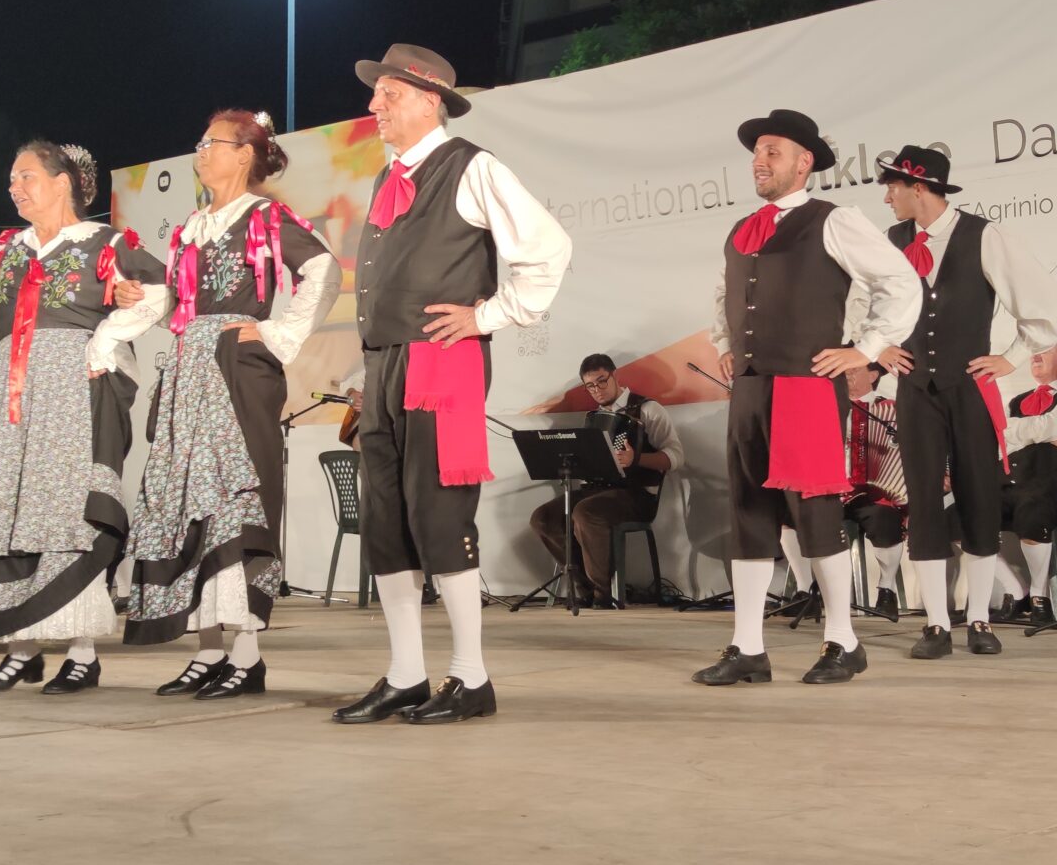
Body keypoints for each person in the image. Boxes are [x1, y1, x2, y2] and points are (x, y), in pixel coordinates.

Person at [333, 46, 571, 726]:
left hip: (442, 363)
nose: (375, 105)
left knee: (439, 513)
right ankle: (406, 674)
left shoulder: (472, 166)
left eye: (390, 94)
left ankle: (471, 676)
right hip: (386, 366)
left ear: (430, 100)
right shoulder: (389, 178)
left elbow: (549, 249)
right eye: (376, 94)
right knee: (387, 521)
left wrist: (487, 315)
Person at [693, 110, 920, 687]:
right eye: (756, 152)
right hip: (751, 387)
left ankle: (844, 640)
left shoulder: (832, 219)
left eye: (772, 151)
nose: (759, 161)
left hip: (806, 386)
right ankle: (748, 647)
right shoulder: (743, 228)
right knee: (748, 512)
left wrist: (864, 350)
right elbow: (724, 293)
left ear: (804, 162)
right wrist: (724, 343)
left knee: (815, 511)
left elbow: (899, 281)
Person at [116, 111, 338, 700]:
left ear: (244, 154)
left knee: (235, 500)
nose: (200, 150)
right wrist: (143, 299)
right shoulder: (193, 226)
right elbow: (181, 306)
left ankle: (246, 656)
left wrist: (277, 333)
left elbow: (322, 270)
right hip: (188, 369)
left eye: (210, 142)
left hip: (236, 370)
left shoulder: (266, 217)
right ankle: (208, 651)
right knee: (188, 502)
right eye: (200, 142)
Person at [0, 141, 165, 697]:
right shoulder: (8, 250)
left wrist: (108, 335)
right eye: (11, 179)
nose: (14, 187)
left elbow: (165, 289)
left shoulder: (105, 243)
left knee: (66, 509)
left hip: (75, 387)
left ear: (63, 182)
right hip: (12, 389)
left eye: (26, 176)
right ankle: (21, 649)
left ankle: (83, 654)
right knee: (12, 508)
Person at [876, 145, 1057, 660]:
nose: (888, 198)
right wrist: (879, 345)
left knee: (979, 495)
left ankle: (979, 617)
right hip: (916, 390)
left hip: (970, 387)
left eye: (893, 187)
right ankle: (936, 623)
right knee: (923, 501)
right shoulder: (892, 241)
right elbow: (865, 302)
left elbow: (1040, 306)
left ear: (918, 187)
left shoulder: (983, 235)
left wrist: (1010, 358)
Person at [527, 354, 680, 608]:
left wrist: (635, 459)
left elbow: (676, 457)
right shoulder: (594, 418)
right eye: (590, 386)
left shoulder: (648, 409)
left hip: (637, 494)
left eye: (601, 381)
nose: (597, 390)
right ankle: (584, 588)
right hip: (598, 491)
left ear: (615, 376)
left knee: (585, 512)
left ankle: (603, 593)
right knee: (543, 517)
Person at [996, 324, 1057, 621]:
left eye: (1046, 349)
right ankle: (1016, 590)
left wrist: (1032, 431)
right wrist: (1049, 436)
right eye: (1034, 350)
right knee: (961, 512)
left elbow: (1043, 426)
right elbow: (998, 439)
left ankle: (1040, 596)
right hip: (1016, 484)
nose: (1035, 356)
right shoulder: (1018, 401)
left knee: (1033, 505)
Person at [840, 367, 909, 619]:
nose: (847, 375)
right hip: (831, 490)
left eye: (853, 370)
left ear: (872, 376)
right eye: (843, 371)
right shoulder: (829, 407)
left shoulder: (890, 410)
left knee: (884, 516)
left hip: (873, 492)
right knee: (795, 514)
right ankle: (805, 590)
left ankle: (886, 589)